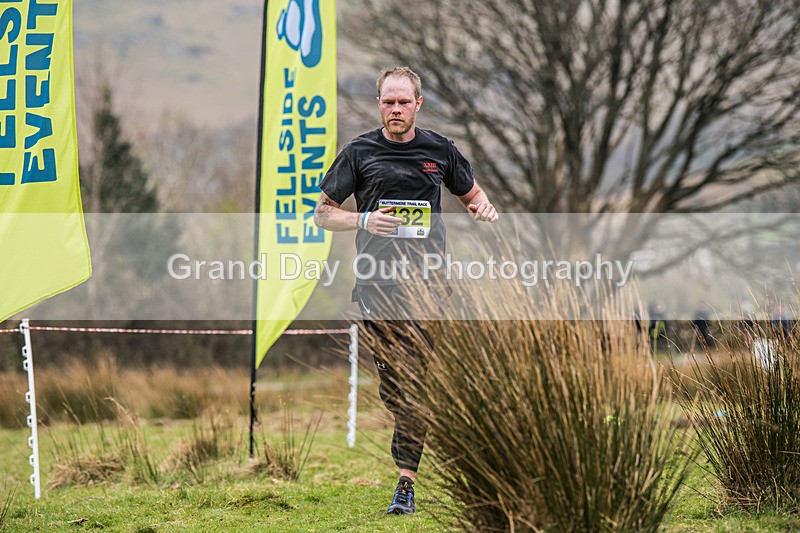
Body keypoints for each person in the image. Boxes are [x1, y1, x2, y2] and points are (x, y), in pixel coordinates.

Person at [313, 66, 498, 514]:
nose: (395, 109)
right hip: (376, 288)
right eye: (388, 102)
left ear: (418, 104)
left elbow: (472, 194)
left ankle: (405, 484)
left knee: (416, 383)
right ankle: (408, 435)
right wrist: (363, 220)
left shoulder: (440, 151)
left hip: (428, 285)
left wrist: (482, 207)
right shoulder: (358, 152)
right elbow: (322, 214)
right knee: (395, 389)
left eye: (403, 101)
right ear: (379, 105)